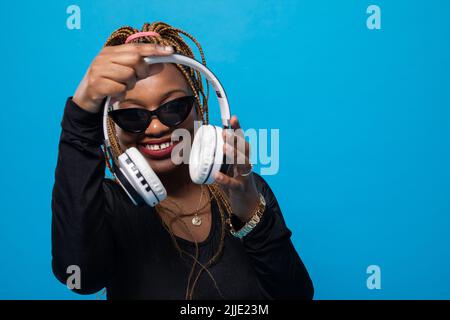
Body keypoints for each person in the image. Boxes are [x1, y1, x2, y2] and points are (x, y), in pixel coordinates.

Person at [51, 21, 314, 300]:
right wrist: (79, 118)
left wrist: (250, 213)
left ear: (197, 109)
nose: (156, 129)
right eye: (132, 116)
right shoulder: (106, 207)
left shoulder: (247, 190)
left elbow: (295, 296)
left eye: (174, 107)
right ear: (110, 127)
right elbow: (78, 276)